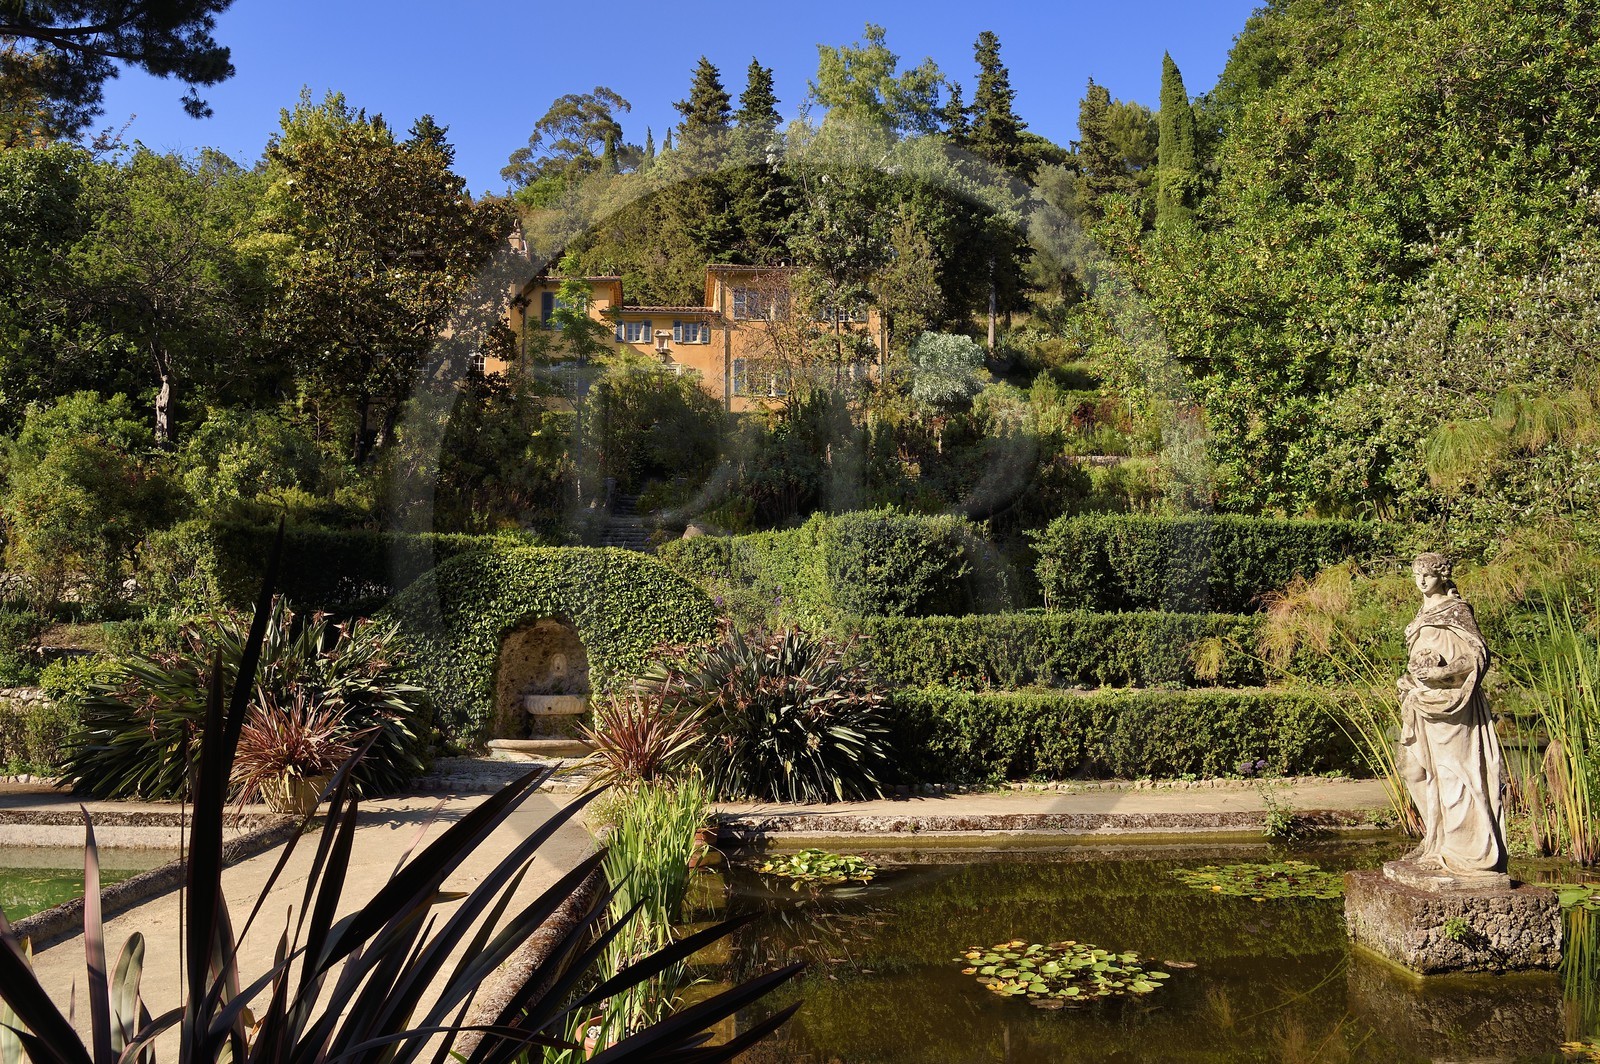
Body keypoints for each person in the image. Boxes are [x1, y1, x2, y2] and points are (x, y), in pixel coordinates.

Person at [1392, 552, 1508, 881]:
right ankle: (1435, 839)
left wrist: (1441, 675)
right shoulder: (1422, 611)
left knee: (1453, 776)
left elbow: (1477, 658)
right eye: (1417, 575)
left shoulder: (1457, 610)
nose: (1422, 581)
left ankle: (1460, 852)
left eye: (1427, 575)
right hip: (1423, 702)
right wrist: (1412, 681)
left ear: (1442, 575)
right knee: (1413, 769)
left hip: (1454, 704)